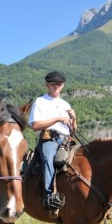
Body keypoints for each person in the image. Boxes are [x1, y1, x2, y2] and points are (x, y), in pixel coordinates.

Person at [28, 71, 77, 210]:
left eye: (59, 84)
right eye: (53, 83)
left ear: (63, 85)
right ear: (47, 85)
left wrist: (74, 118)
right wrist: (57, 118)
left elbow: (73, 131)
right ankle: (49, 197)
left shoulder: (65, 104)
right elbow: (36, 126)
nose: (56, 86)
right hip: (49, 139)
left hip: (66, 140)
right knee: (49, 159)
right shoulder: (41, 101)